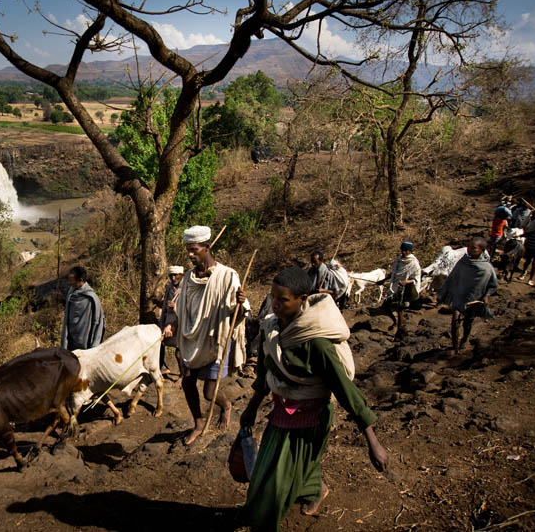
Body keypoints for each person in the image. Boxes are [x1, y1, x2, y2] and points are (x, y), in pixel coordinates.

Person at [240, 267, 387, 531]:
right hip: (280, 414)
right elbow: (265, 373)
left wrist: (371, 440)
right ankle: (315, 489)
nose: (275, 303)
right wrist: (251, 408)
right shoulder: (270, 329)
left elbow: (344, 389)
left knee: (272, 488)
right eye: (272, 296)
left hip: (311, 418)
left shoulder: (316, 343)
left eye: (283, 299)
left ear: (302, 300)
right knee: (270, 469)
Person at [163, 225, 250, 445]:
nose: (190, 255)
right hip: (192, 339)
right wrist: (172, 323)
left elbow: (238, 312)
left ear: (207, 247)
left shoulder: (227, 276)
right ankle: (199, 424)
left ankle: (226, 405)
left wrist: (240, 303)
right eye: (188, 251)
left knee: (210, 393)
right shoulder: (189, 278)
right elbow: (182, 307)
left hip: (215, 339)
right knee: (187, 383)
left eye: (194, 250)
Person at [437, 238, 498, 353]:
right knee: (455, 321)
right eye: (469, 247)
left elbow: (492, 284)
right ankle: (455, 347)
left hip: (474, 299)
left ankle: (464, 339)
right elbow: (453, 277)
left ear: (481, 250)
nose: (469, 250)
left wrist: (486, 295)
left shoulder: (487, 267)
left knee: (467, 323)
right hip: (459, 296)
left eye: (473, 248)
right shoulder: (463, 262)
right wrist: (445, 292)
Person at [60, 266, 105, 350]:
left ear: (80, 280)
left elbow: (98, 321)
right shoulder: (71, 293)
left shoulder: (91, 298)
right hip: (71, 338)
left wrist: (94, 345)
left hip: (84, 340)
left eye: (72, 281)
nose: (70, 283)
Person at [383, 241, 421, 338]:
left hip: (406, 290)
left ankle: (399, 332)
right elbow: (394, 273)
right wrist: (383, 280)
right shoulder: (398, 260)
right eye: (402, 250)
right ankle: (396, 322)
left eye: (405, 251)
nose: (403, 252)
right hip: (395, 287)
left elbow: (415, 280)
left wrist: (406, 282)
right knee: (386, 306)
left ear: (410, 251)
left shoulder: (414, 264)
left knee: (401, 309)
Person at [159, 265, 184, 376]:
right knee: (161, 343)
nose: (173, 278)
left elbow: (191, 307)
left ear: (181, 275)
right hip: (169, 321)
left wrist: (176, 306)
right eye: (171, 275)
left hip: (182, 322)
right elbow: (166, 306)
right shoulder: (169, 287)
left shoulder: (187, 287)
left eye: (176, 275)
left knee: (179, 351)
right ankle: (161, 367)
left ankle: (183, 375)